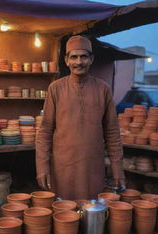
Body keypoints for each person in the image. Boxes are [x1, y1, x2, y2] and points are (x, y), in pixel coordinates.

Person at [36, 35, 125, 200]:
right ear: (66, 60)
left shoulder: (103, 89)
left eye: (83, 56)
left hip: (93, 167)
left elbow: (112, 132)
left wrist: (117, 169)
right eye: (74, 57)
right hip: (63, 167)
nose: (79, 62)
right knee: (64, 216)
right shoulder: (55, 88)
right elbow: (45, 131)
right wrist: (42, 167)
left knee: (92, 212)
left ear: (91, 59)